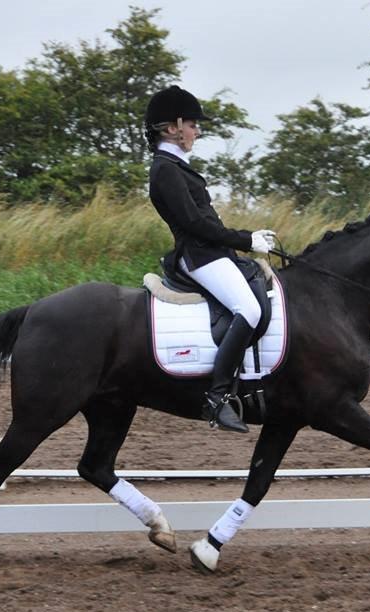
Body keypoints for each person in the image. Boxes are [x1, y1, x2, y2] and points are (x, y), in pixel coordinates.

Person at [145, 85, 275, 433]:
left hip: (213, 252)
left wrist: (242, 242)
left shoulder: (177, 167)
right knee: (248, 309)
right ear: (172, 127)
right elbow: (195, 224)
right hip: (199, 256)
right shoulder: (166, 169)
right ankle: (217, 398)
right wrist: (246, 239)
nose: (197, 131)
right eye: (191, 124)